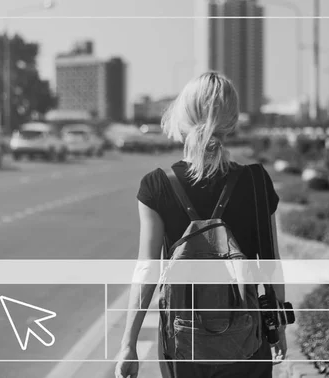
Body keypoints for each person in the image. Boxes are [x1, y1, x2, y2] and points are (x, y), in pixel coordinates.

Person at [115, 71, 287, 378]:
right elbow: (271, 263)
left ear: (182, 118)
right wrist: (279, 328)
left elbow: (147, 270)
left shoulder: (156, 186)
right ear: (233, 122)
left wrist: (128, 344)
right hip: (248, 339)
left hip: (182, 343)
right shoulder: (257, 182)